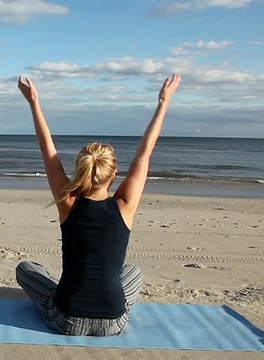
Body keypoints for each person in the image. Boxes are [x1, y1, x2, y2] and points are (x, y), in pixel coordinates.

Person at [15, 73, 182, 336]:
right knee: (133, 272)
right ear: (114, 176)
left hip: (65, 319)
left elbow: (48, 152)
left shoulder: (67, 202)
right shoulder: (125, 205)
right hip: (113, 323)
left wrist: (34, 102)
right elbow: (144, 153)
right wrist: (163, 101)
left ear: (79, 171)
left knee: (25, 269)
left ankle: (67, 289)